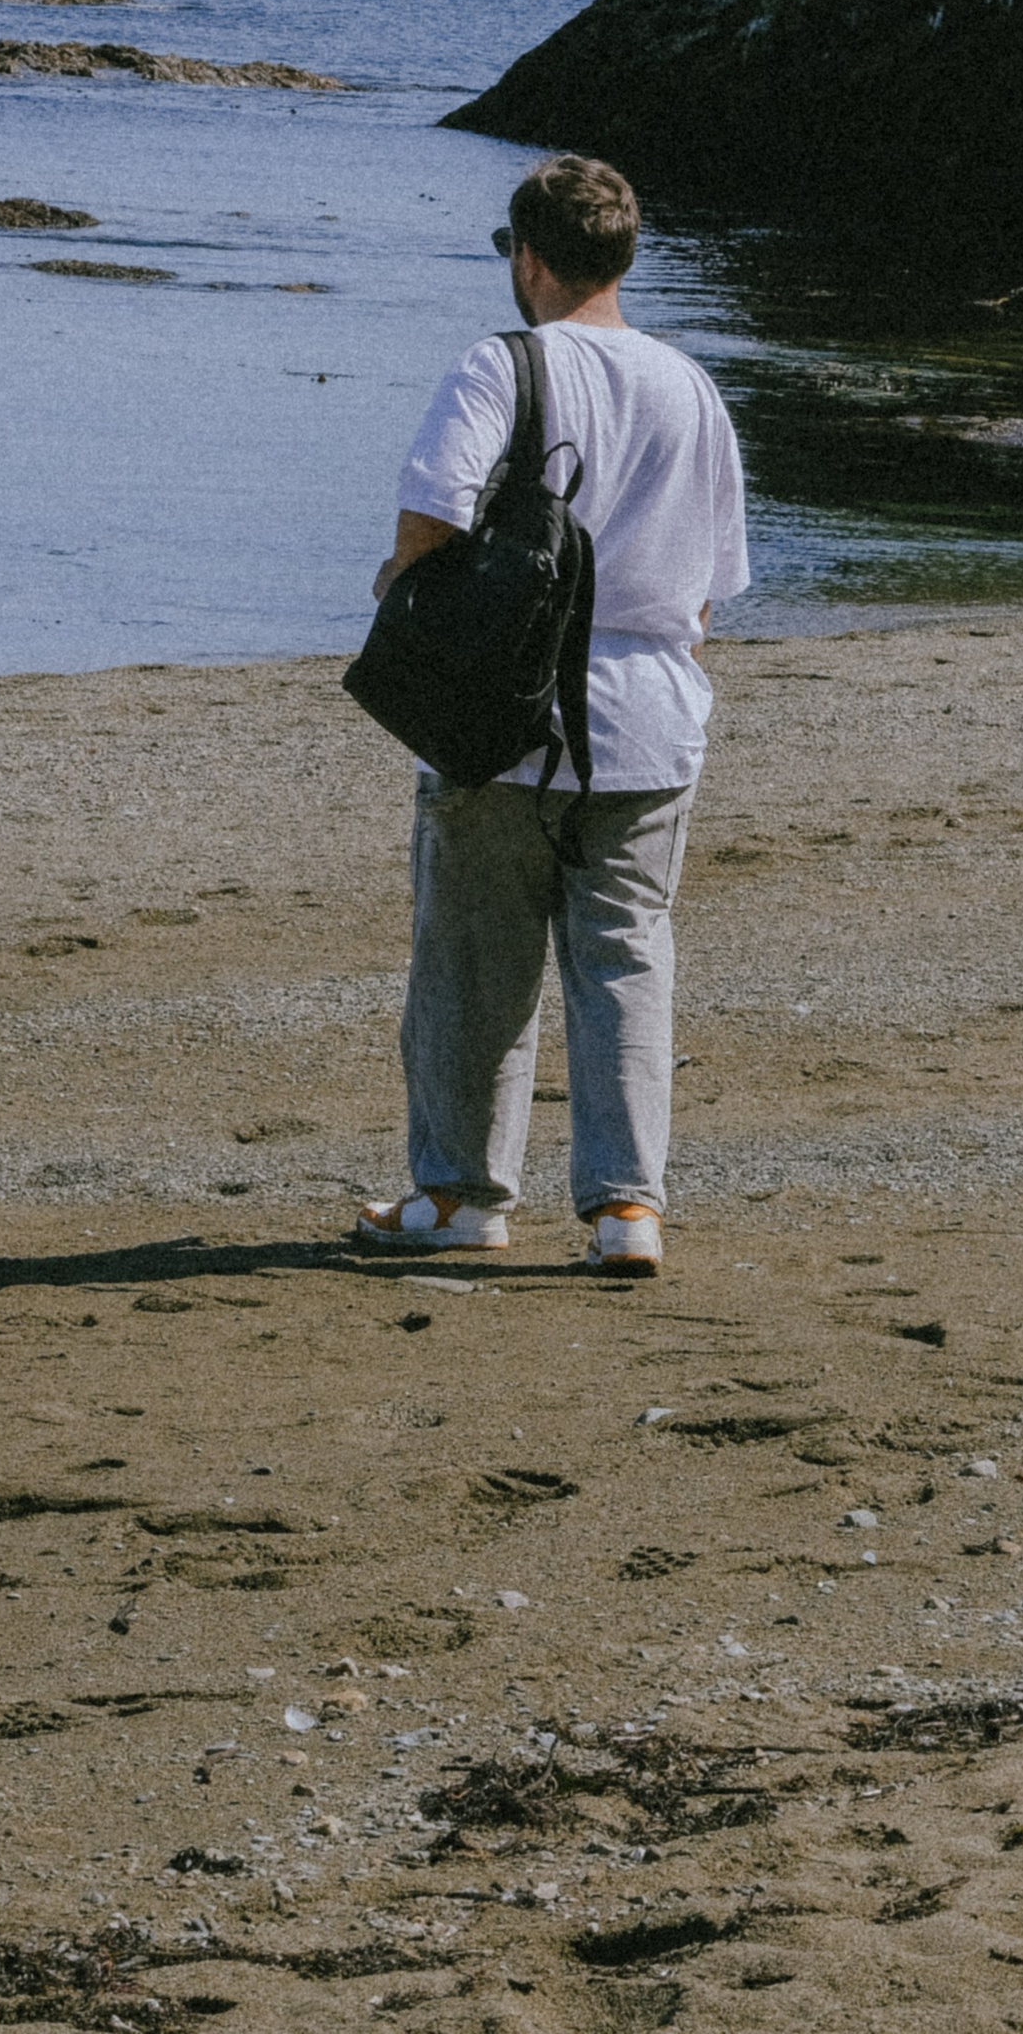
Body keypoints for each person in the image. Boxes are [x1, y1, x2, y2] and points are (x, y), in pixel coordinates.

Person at [352, 152, 748, 1279]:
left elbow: (430, 517)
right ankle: (626, 1212)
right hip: (653, 719)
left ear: (527, 258)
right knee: (625, 960)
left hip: (505, 717)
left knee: (475, 963)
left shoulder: (501, 365)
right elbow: (709, 588)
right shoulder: (690, 386)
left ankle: (461, 1195)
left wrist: (399, 596)